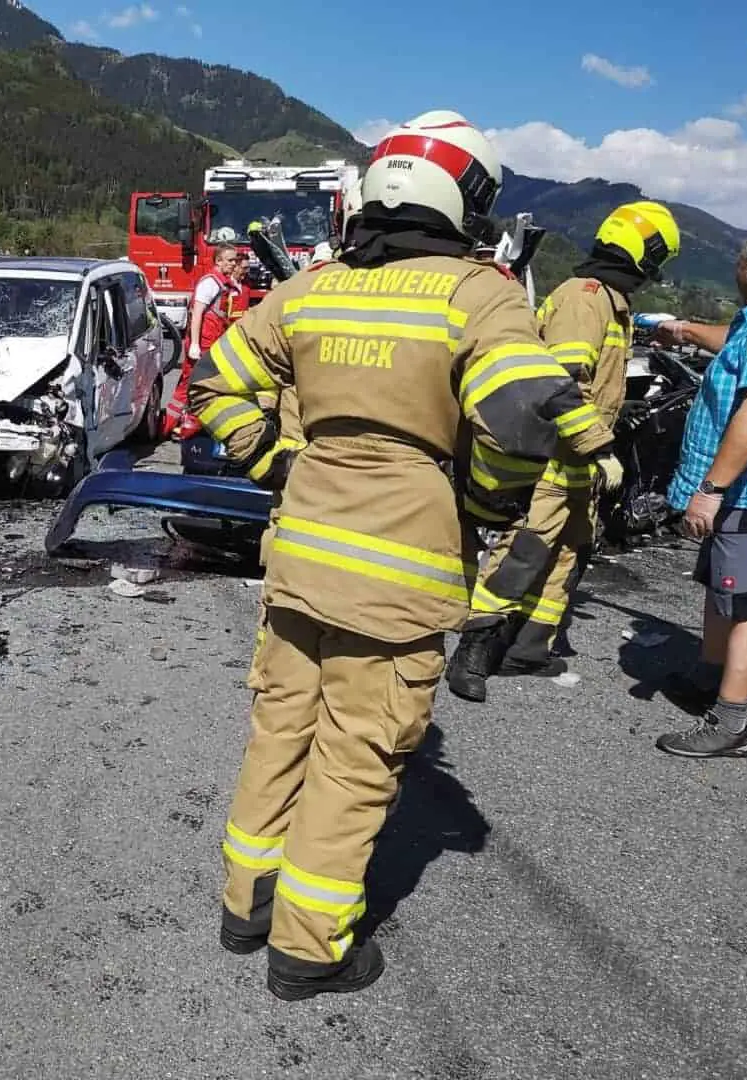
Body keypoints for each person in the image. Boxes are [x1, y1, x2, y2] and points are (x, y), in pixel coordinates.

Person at [189, 109, 616, 1000]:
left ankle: (247, 905)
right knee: (355, 757)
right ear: (466, 198)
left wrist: (281, 462)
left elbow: (216, 382)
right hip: (402, 572)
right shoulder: (477, 293)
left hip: (299, 558)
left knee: (278, 732)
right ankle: (310, 949)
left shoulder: (313, 287)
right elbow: (519, 414)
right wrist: (482, 501)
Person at [445, 202, 678, 700]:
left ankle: (527, 649)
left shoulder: (610, 301)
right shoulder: (585, 298)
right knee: (526, 549)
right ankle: (474, 652)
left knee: (570, 550)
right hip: (559, 454)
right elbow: (564, 380)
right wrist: (596, 445)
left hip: (584, 459)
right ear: (645, 253)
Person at [653, 228, 747, 758]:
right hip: (739, 494)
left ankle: (731, 723)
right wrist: (688, 331)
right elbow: (736, 345)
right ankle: (709, 679)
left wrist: (710, 490)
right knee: (723, 586)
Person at [161, 242, 243, 438]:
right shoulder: (210, 283)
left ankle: (185, 424)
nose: (234, 264)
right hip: (202, 344)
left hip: (210, 343)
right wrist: (195, 344)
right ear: (219, 260)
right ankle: (166, 429)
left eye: (235, 260)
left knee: (199, 385)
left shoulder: (222, 282)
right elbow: (197, 314)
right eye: (231, 260)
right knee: (188, 387)